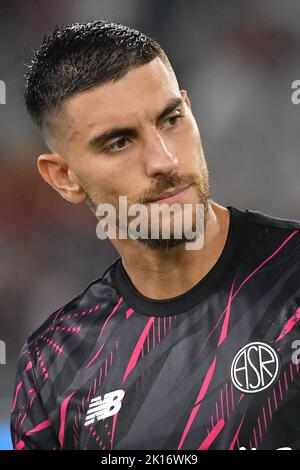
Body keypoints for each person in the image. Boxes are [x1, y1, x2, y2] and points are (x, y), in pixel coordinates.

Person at [11, 20, 300, 450]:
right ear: (64, 177)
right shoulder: (52, 368)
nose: (164, 161)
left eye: (170, 119)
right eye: (118, 143)